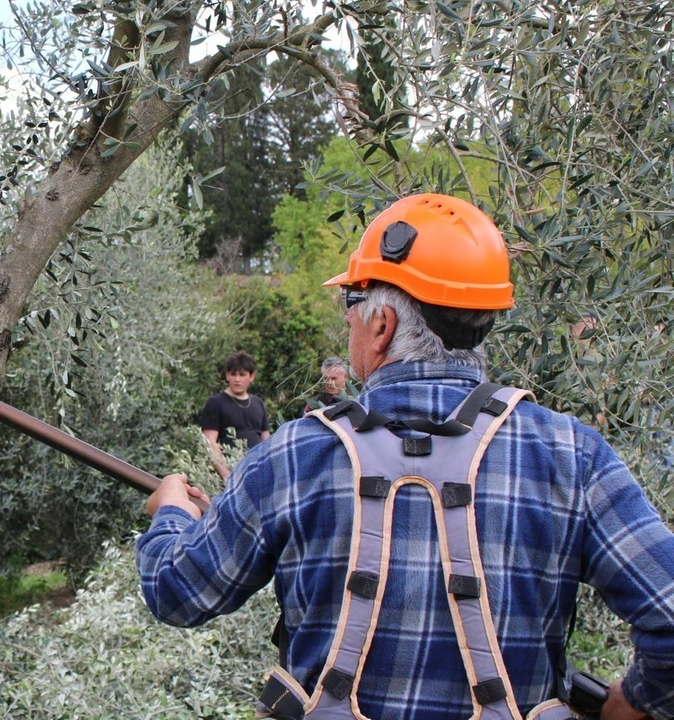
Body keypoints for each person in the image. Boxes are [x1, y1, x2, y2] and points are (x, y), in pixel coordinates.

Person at [137, 193, 672, 720]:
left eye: (352, 304)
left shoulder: (295, 456)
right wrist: (636, 701)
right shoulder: (572, 456)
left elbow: (177, 591)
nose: (348, 322)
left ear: (382, 324)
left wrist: (172, 512)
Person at [199, 351, 271, 480]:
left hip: (256, 473)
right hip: (228, 476)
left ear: (251, 376)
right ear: (227, 376)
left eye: (242, 375)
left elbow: (267, 440)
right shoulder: (216, 403)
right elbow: (209, 442)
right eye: (233, 374)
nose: (237, 379)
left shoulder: (258, 403)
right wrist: (228, 476)